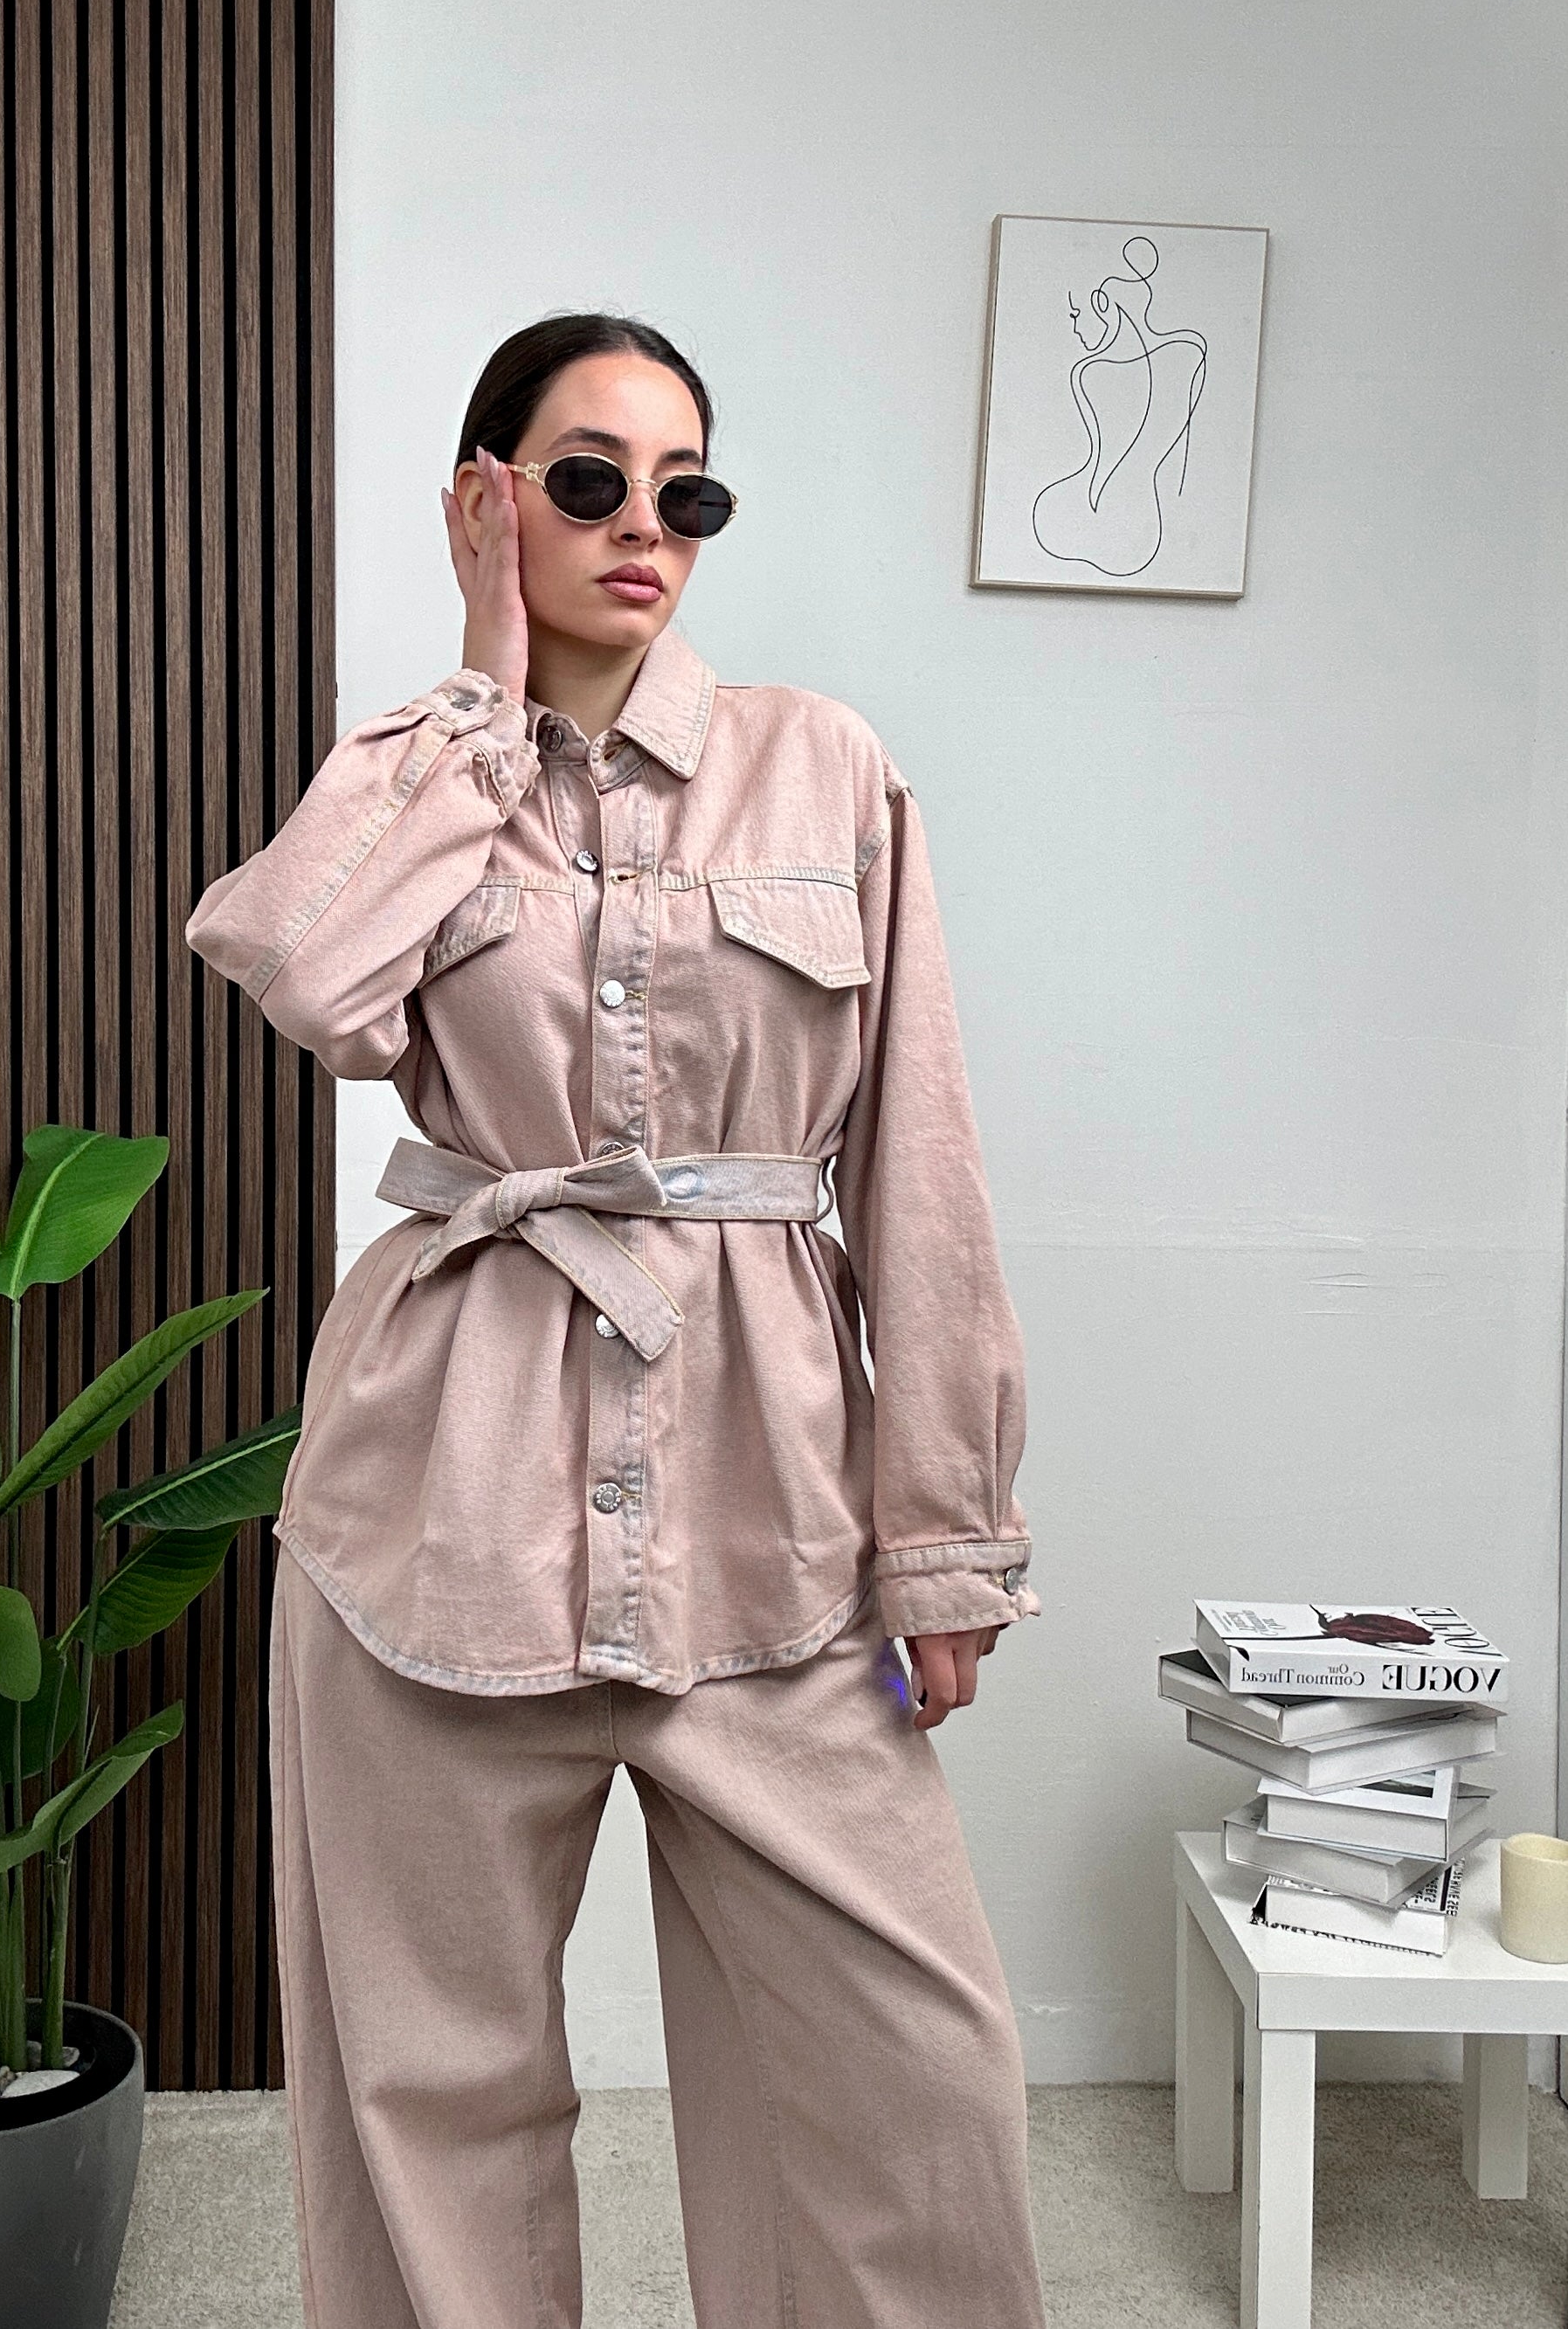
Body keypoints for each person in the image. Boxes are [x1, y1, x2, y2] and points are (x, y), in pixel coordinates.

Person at [184, 312, 1049, 2329]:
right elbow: (306, 976)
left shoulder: (825, 764)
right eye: (588, 480)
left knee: (911, 2079)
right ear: (490, 499)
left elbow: (918, 1163)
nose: (644, 524)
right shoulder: (417, 772)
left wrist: (944, 1534)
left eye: (687, 490)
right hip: (436, 1507)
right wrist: (482, 691)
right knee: (432, 2094)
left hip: (771, 1514)